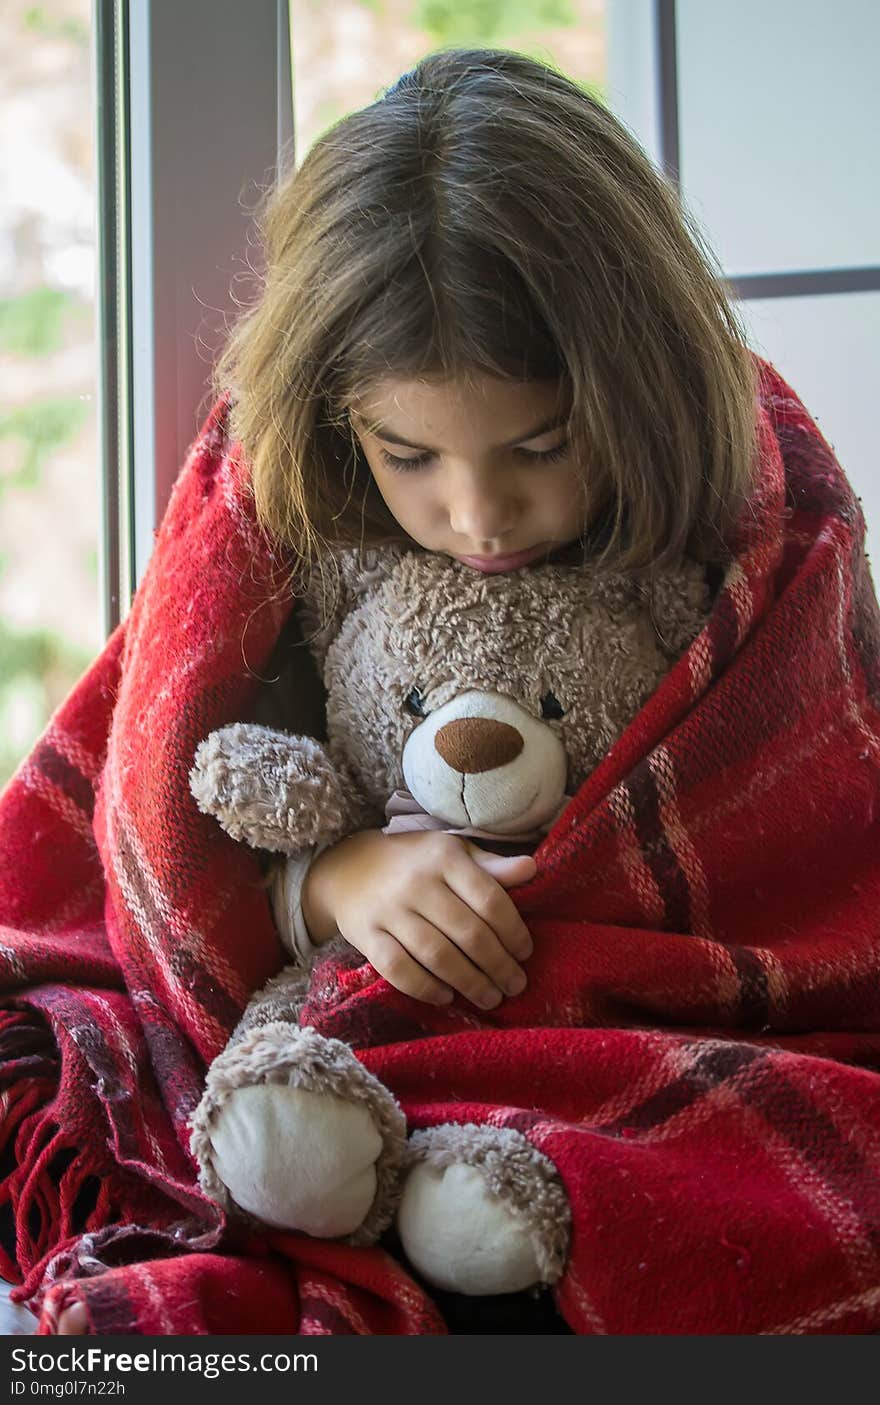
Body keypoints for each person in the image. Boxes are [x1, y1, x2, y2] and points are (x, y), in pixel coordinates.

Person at [55, 44, 762, 1334]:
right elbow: (161, 820)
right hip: (333, 1021)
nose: (480, 513)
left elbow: (813, 856)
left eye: (542, 447)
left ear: (641, 390)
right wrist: (324, 882)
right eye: (411, 455)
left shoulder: (753, 534)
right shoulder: (287, 514)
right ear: (343, 427)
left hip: (645, 1039)